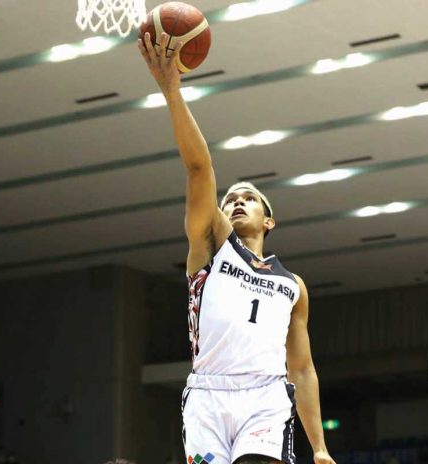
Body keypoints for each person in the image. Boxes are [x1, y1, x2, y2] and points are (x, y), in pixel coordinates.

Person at [137, 32, 335, 464]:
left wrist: (319, 447)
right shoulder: (211, 245)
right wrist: (172, 91)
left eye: (250, 197)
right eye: (230, 198)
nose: (237, 200)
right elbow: (198, 167)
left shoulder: (292, 286)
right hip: (208, 392)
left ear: (269, 220)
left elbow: (300, 368)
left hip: (265, 394)